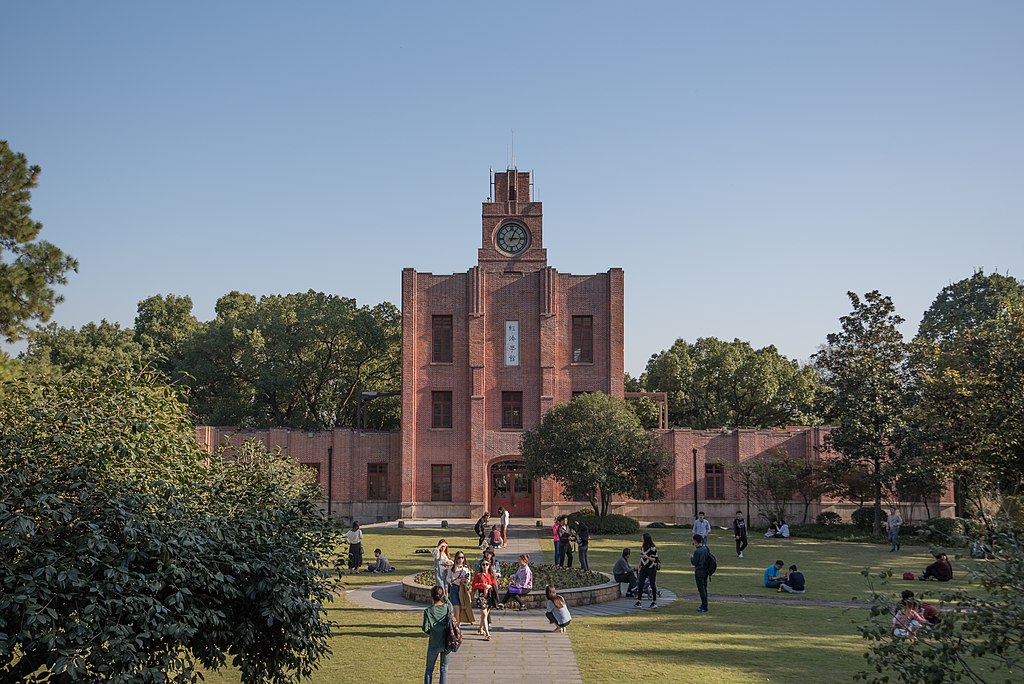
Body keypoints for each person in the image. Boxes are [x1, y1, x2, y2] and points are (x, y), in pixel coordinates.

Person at [422, 585, 452, 684]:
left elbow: (425, 628)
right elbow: (450, 605)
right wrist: (445, 597)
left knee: (429, 669)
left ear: (431, 596)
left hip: (434, 643)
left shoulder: (428, 611)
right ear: (442, 595)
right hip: (446, 642)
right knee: (444, 668)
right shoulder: (447, 608)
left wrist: (432, 632)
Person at [472, 558, 498, 640]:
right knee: (484, 614)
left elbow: (494, 585)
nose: (485, 566)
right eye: (483, 565)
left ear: (489, 565)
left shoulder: (491, 574)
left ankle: (480, 628)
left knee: (485, 614)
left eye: (486, 564)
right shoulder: (478, 574)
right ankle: (487, 633)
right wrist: (482, 585)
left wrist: (490, 586)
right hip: (481, 595)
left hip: (489, 596)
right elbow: (474, 585)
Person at [450, 551, 475, 625]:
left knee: (461, 609)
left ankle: (458, 625)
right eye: (459, 558)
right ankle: (457, 630)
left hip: (462, 590)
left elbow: (468, 579)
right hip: (454, 588)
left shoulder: (466, 569)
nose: (460, 559)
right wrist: (453, 580)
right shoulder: (452, 568)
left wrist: (465, 580)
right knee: (456, 609)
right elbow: (447, 579)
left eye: (462, 557)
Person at [635, 532, 659, 608]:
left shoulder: (652, 547)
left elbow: (655, 559)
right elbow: (641, 557)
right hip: (644, 567)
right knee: (640, 583)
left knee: (652, 583)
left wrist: (647, 557)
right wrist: (639, 565)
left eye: (642, 537)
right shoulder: (642, 547)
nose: (641, 538)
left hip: (651, 567)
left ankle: (654, 601)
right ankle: (639, 601)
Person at [690, 533, 711, 613]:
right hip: (706, 571)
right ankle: (705, 604)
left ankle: (704, 606)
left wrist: (691, 557)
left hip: (699, 571)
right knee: (704, 588)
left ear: (696, 541)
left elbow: (694, 562)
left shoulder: (697, 552)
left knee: (701, 589)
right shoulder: (705, 549)